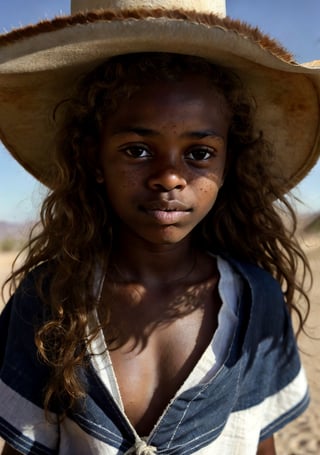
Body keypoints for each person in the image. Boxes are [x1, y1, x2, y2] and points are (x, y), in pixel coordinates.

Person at [0, 1, 319, 454]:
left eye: (199, 154)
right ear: (93, 158)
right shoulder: (49, 296)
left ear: (230, 164)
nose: (170, 177)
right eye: (136, 150)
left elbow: (258, 443)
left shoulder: (256, 299)